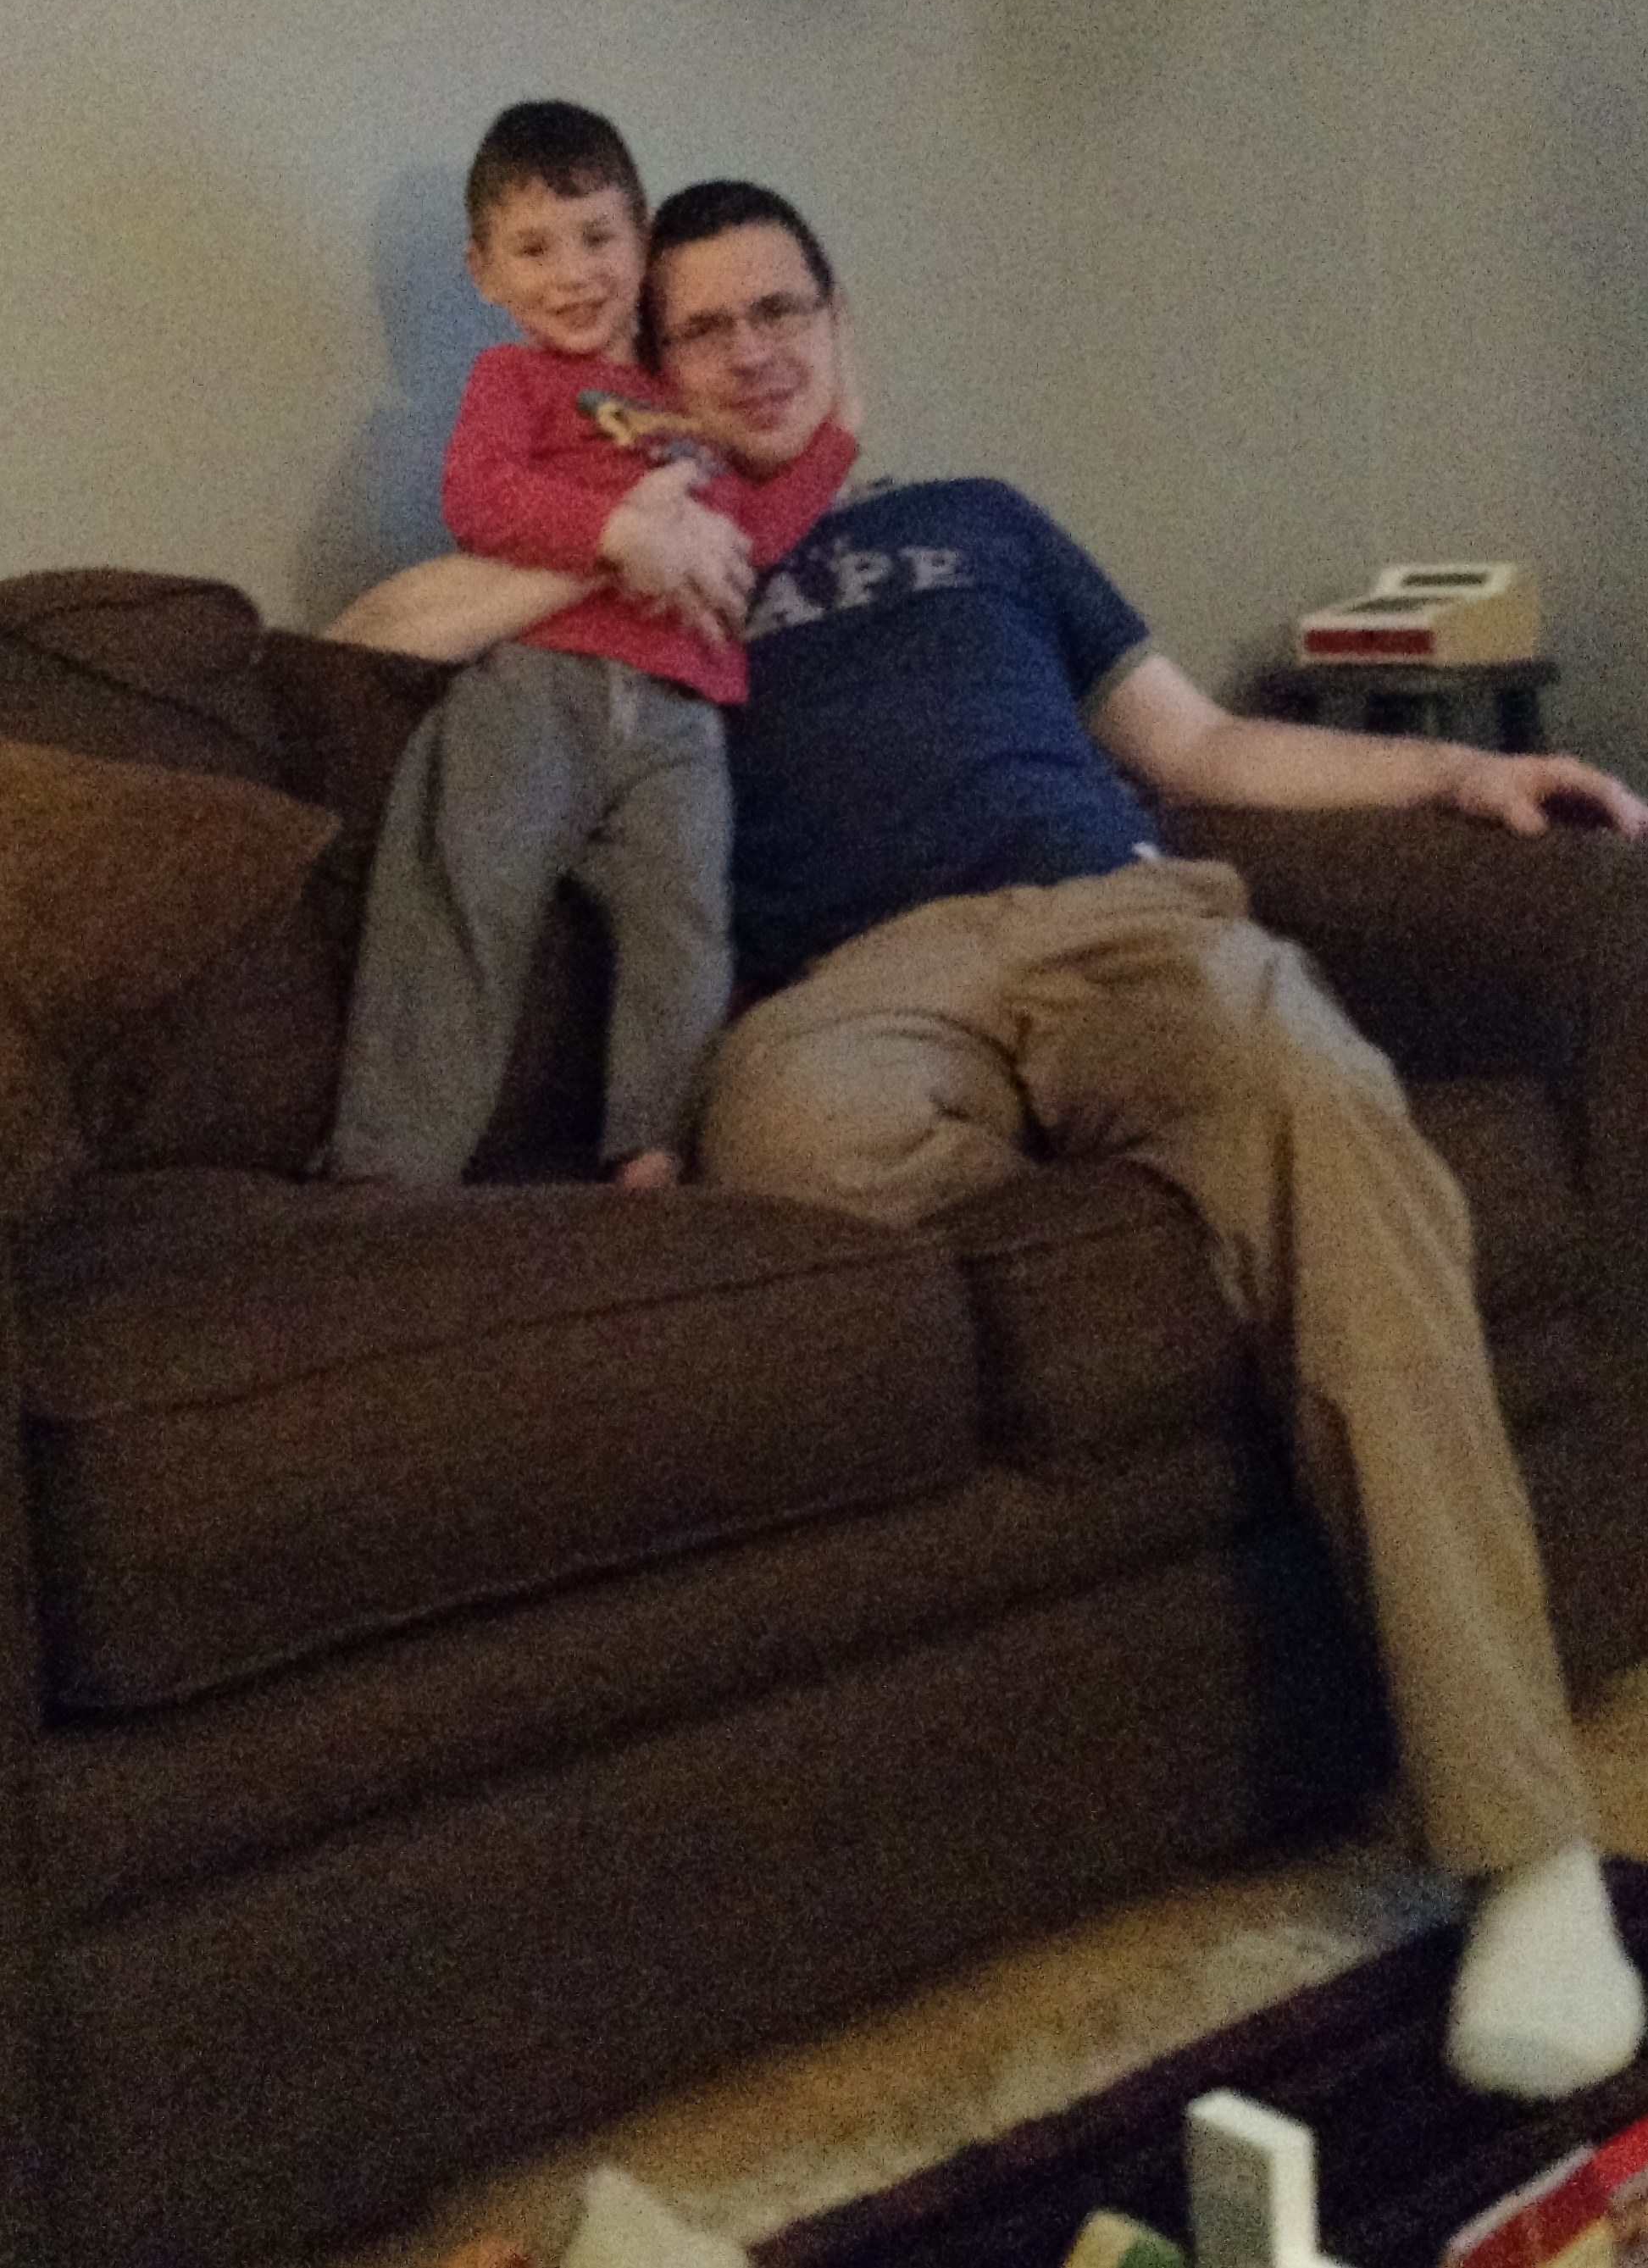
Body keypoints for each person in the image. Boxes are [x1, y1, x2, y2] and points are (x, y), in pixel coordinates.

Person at [327, 180, 1648, 2104]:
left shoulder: (982, 524)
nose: (752, 349)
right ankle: (1196, 1194)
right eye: (703, 328)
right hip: (855, 995)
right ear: (650, 368)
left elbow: (1202, 748)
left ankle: (1523, 1846)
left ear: (838, 320)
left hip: (1121, 920)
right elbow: (376, 635)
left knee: (1320, 1099)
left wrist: (1454, 768)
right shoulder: (651, 557)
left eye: (782, 308)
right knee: (779, 1148)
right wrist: (620, 532)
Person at [327, 108, 855, 1189]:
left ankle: (654, 1150)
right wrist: (620, 534)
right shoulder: (512, 381)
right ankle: (388, 1170)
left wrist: (838, 440)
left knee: (688, 928)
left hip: (680, 718)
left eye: (598, 238)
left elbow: (746, 540)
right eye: (534, 248)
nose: (572, 274)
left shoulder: (692, 407)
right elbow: (478, 499)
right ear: (484, 272)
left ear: (642, 241)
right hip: (538, 686)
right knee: (464, 901)